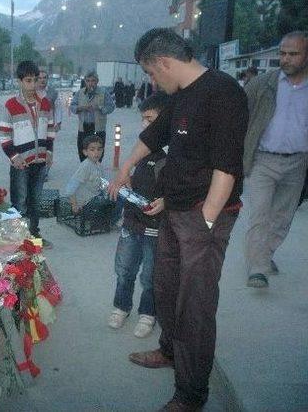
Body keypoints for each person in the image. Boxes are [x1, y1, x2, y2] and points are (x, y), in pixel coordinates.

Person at [110, 28, 248, 411]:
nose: (153, 82)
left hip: (207, 216)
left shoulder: (223, 92)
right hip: (175, 209)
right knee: (165, 285)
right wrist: (126, 169)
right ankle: (169, 350)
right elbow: (154, 135)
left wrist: (205, 223)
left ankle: (191, 395)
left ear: (164, 64)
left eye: (152, 74)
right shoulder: (180, 95)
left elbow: (227, 166)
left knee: (195, 306)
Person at [242, 31, 308, 289]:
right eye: (282, 53)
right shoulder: (264, 84)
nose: (286, 59)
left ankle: (265, 253)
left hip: (298, 163)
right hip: (263, 160)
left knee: (282, 217)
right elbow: (240, 112)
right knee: (259, 214)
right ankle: (257, 268)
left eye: (293, 54)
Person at [107, 92, 169, 339]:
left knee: (150, 275)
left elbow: (178, 188)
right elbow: (138, 178)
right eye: (142, 118)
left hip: (155, 228)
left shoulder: (172, 154)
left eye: (149, 118)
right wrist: (125, 183)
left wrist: (166, 201)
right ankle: (121, 306)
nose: (144, 124)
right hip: (132, 223)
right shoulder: (143, 149)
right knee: (124, 268)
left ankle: (147, 314)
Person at [0, 60, 56, 246]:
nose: (32, 85)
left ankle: (34, 237)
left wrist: (49, 152)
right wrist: (14, 157)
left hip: (40, 162)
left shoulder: (45, 103)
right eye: (28, 81)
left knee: (35, 201)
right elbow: (4, 136)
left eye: (35, 80)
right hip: (20, 163)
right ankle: (16, 241)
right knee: (19, 202)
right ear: (20, 81)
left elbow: (50, 130)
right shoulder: (11, 105)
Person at [70, 71, 115, 162]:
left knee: (97, 152)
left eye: (93, 81)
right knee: (82, 150)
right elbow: (72, 106)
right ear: (85, 82)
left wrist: (100, 108)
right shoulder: (80, 93)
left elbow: (111, 107)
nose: (91, 83)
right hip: (84, 127)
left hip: (98, 128)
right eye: (88, 81)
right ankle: (85, 171)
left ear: (97, 81)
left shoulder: (103, 92)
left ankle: (96, 172)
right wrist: (81, 108)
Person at [63, 135, 108, 214]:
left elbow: (102, 185)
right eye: (92, 150)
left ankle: (108, 223)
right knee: (109, 205)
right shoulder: (86, 166)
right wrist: (74, 205)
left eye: (99, 149)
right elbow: (70, 188)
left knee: (117, 198)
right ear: (85, 152)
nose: (96, 152)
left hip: (95, 198)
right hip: (85, 204)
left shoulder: (98, 165)